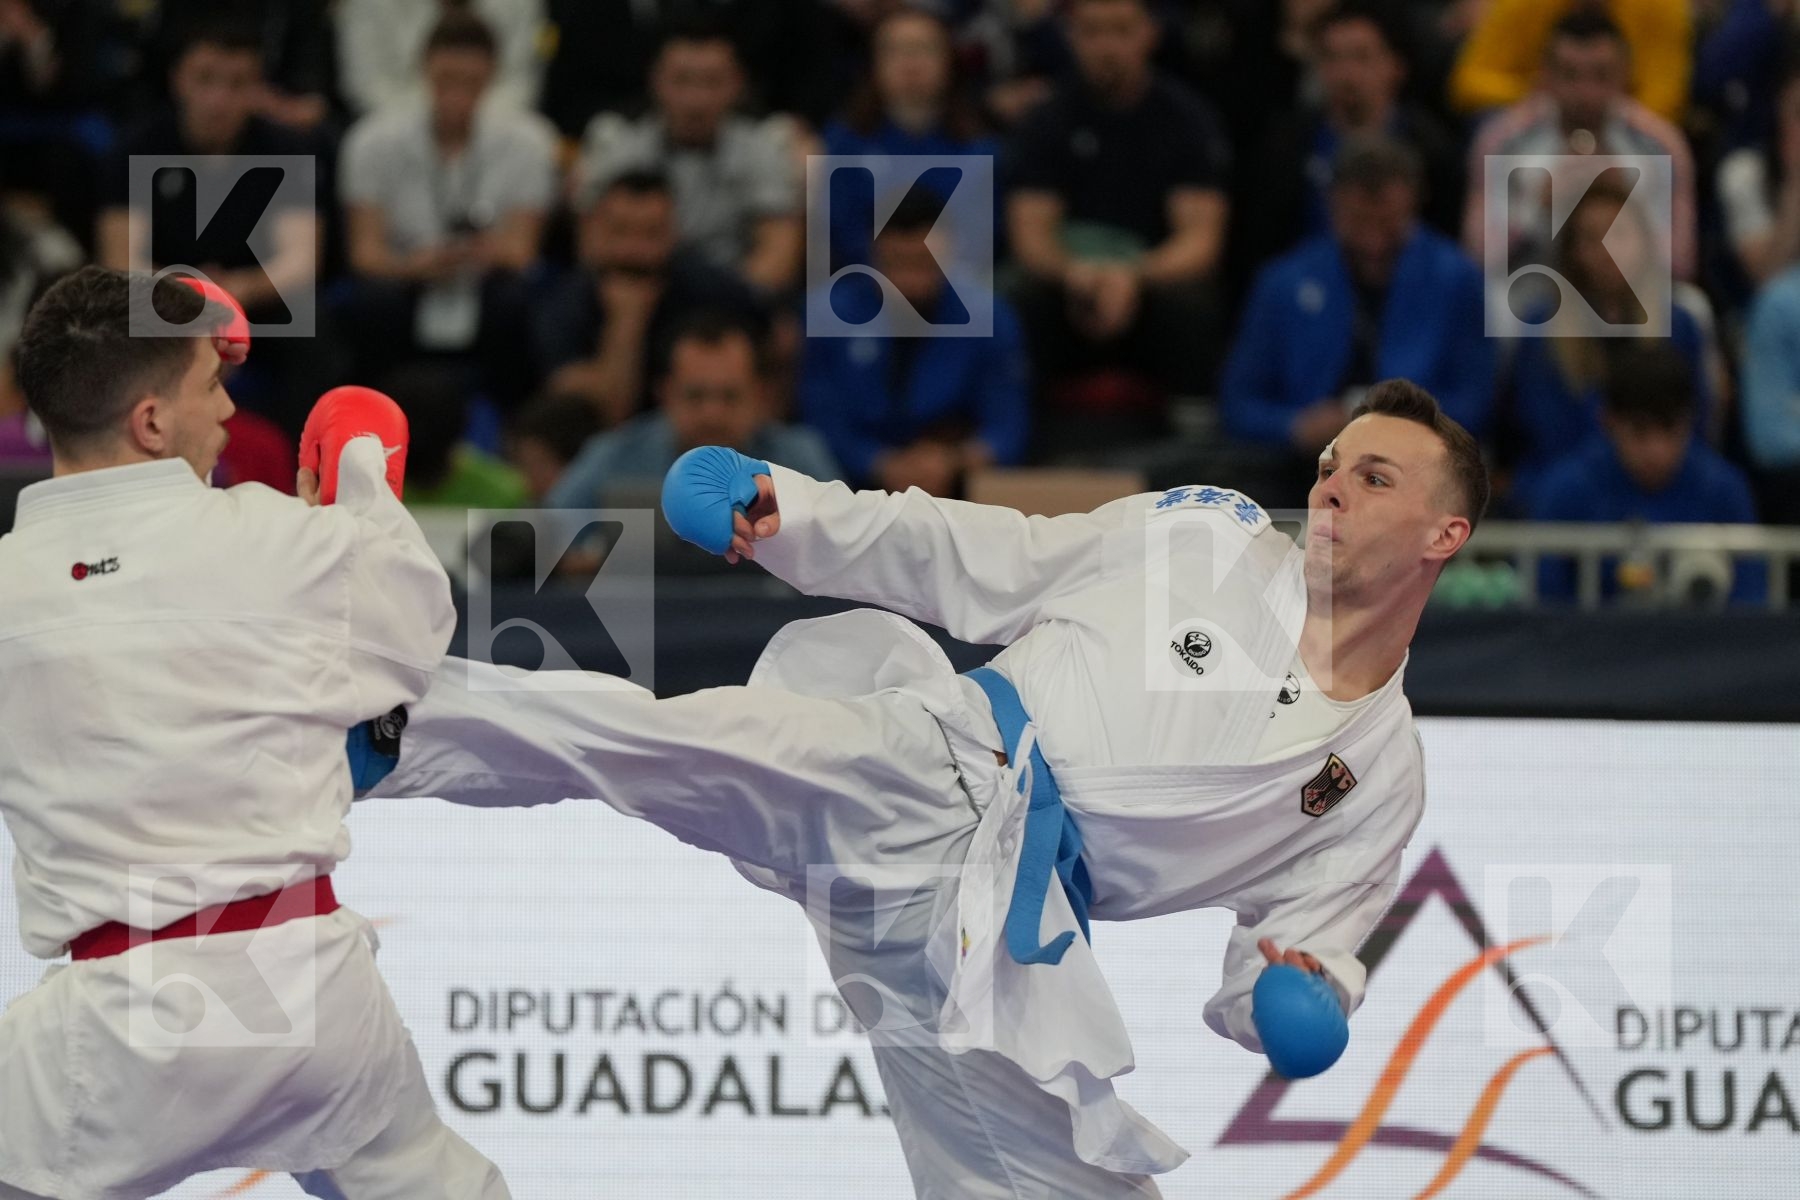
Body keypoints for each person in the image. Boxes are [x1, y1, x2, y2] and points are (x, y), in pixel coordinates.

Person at [366, 377, 1485, 1197]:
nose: (1330, 487)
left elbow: (1297, 958)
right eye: (1330, 462)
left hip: (1012, 946)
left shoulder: (1380, 774)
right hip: (935, 768)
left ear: (1447, 533)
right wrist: (791, 510)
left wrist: (1296, 1003)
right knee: (678, 743)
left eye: (1372, 477)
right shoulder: (1210, 538)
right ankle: (385, 721)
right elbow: (975, 552)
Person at [0, 266, 506, 1196]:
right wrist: (358, 476)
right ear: (151, 423)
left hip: (115, 1025)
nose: (231, 409)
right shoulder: (277, 540)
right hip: (307, 987)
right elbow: (414, 625)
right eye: (211, 384)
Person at [1223, 136, 1492, 509]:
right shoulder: (1283, 282)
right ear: (1332, 204)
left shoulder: (1457, 280)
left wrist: (1404, 425)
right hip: (1300, 467)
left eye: (1388, 223)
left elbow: (1478, 398)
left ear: (1414, 202)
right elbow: (1238, 401)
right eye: (1359, 221)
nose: (1373, 243)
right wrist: (1295, 426)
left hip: (1419, 470)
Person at [98, 16, 325, 434]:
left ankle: (299, 458)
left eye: (237, 84)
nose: (219, 99)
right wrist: (189, 294)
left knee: (315, 333)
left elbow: (300, 260)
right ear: (178, 79)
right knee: (112, 323)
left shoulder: (287, 150)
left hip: (255, 306)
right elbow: (121, 260)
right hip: (163, 303)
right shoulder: (137, 147)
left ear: (257, 88)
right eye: (205, 79)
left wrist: (234, 292)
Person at [1005, 0, 1232, 414]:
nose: (1107, 46)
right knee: (1015, 299)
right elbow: (1031, 236)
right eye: (1092, 31)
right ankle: (1018, 430)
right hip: (1069, 280)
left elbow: (1200, 240)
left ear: (1150, 34)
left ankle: (1195, 431)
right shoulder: (1046, 119)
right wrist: (1075, 274)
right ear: (1071, 37)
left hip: (1150, 280)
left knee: (1193, 307)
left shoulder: (1186, 119)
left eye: (1121, 30)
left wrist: (1133, 276)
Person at [337, 8, 556, 410]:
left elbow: (522, 252)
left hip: (484, 279)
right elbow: (365, 253)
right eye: (446, 80)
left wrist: (476, 254)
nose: (457, 94)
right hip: (407, 278)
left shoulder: (529, 143)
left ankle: (514, 423)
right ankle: (371, 417)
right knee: (373, 303)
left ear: (491, 76)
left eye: (470, 82)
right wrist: (415, 266)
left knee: (515, 302)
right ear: (425, 71)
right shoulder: (371, 142)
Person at [1498, 176, 1713, 503]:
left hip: (1667, 491)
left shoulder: (1679, 325)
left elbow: (1695, 424)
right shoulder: (1541, 328)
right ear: (1573, 251)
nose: (1608, 250)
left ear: (1644, 242)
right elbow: (1535, 428)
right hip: (1568, 493)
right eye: (1592, 238)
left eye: (1619, 234)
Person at [799, 190, 1030, 495]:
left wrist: (953, 460)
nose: (910, 281)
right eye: (897, 263)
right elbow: (819, 418)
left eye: (924, 263)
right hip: (847, 485)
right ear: (874, 254)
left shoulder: (990, 319)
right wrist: (877, 463)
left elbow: (1006, 425)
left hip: (956, 486)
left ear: (946, 252)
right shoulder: (828, 316)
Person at [571, 17, 804, 298]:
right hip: (636, 291)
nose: (696, 100)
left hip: (730, 298)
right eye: (682, 80)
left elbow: (777, 257)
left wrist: (717, 303)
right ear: (655, 80)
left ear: (738, 84)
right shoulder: (617, 144)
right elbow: (594, 248)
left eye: (712, 82)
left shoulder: (765, 147)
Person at [1462, 9, 1697, 283]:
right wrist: (1535, 211)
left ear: (1625, 74)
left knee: (1690, 303)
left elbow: (1680, 265)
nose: (1586, 93)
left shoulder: (1662, 145)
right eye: (1570, 75)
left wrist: (1625, 208)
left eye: (1601, 75)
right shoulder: (1502, 140)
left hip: (1631, 293)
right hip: (1533, 290)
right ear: (1546, 75)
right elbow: (1478, 256)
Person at [1530, 343, 1766, 605]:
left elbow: (1751, 599)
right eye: (1639, 431)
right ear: (1608, 422)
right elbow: (1542, 602)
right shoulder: (1566, 490)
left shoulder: (1724, 490)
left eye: (1670, 429)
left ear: (1690, 420)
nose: (1656, 450)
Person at [533, 168, 765, 428]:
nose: (634, 250)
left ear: (674, 233)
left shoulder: (716, 293)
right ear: (594, 229)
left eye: (651, 233)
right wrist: (626, 322)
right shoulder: (563, 304)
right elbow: (602, 414)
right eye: (620, 231)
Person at [1239, 3, 1464, 269]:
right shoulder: (1285, 147)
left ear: (1397, 67)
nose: (1346, 74)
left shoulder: (1433, 151)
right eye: (1332, 58)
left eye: (1361, 57)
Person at [546, 310, 837, 509]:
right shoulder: (614, 456)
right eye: (695, 396)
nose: (712, 414)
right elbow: (543, 538)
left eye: (730, 397)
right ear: (665, 394)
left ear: (759, 396)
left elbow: (849, 547)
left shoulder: (800, 458)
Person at [1449, 0, 1691, 121]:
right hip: (1537, 115)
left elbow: (1666, 100)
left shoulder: (1662, 6)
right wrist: (1541, 96)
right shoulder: (1521, 4)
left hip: (1625, 120)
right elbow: (1468, 81)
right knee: (1489, 121)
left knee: (1662, 140)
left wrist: (1603, 106)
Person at [335, 0, 545, 117]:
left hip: (496, 127)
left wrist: (469, 122)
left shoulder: (522, 4)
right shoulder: (367, 5)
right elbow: (367, 87)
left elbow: (521, 85)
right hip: (396, 129)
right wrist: (432, 123)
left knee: (534, 142)